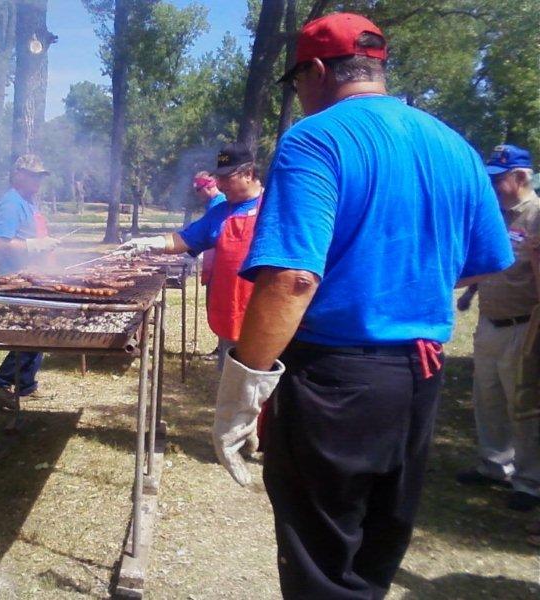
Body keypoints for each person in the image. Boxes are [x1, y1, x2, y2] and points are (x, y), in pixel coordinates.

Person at [210, 13, 513, 600]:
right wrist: (401, 279)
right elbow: (486, 257)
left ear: (316, 71)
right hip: (420, 376)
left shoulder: (315, 138)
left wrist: (242, 387)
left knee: (323, 562)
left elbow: (293, 279)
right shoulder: (454, 144)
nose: (300, 94)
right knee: (376, 548)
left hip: (336, 380)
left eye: (297, 81)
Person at [120, 143, 263, 371]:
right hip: (232, 312)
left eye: (226, 178)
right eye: (219, 178)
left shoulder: (274, 206)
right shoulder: (219, 212)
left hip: (264, 315)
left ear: (248, 173)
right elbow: (184, 239)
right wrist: (148, 243)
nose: (220, 185)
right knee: (230, 379)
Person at [456, 144, 540, 511]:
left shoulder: (536, 216)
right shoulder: (498, 215)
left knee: (522, 403)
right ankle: (494, 464)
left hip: (524, 326)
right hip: (490, 321)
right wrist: (469, 293)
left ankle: (529, 481)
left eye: (499, 178)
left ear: (521, 177)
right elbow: (491, 260)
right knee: (487, 396)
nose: (492, 185)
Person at [0, 154, 60, 407]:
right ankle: (0, 382)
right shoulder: (11, 203)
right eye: (33, 175)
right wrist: (33, 245)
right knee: (32, 332)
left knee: (40, 329)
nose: (38, 180)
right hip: (16, 279)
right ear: (18, 175)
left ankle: (26, 384)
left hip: (33, 276)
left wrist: (44, 247)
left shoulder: (28, 202)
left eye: (40, 176)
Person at [192, 171, 226, 360]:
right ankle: (221, 348)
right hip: (214, 265)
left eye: (199, 190)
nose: (197, 194)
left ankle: (223, 350)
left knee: (220, 308)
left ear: (208, 186)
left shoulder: (219, 203)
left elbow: (215, 236)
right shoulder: (214, 203)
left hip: (220, 268)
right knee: (215, 307)